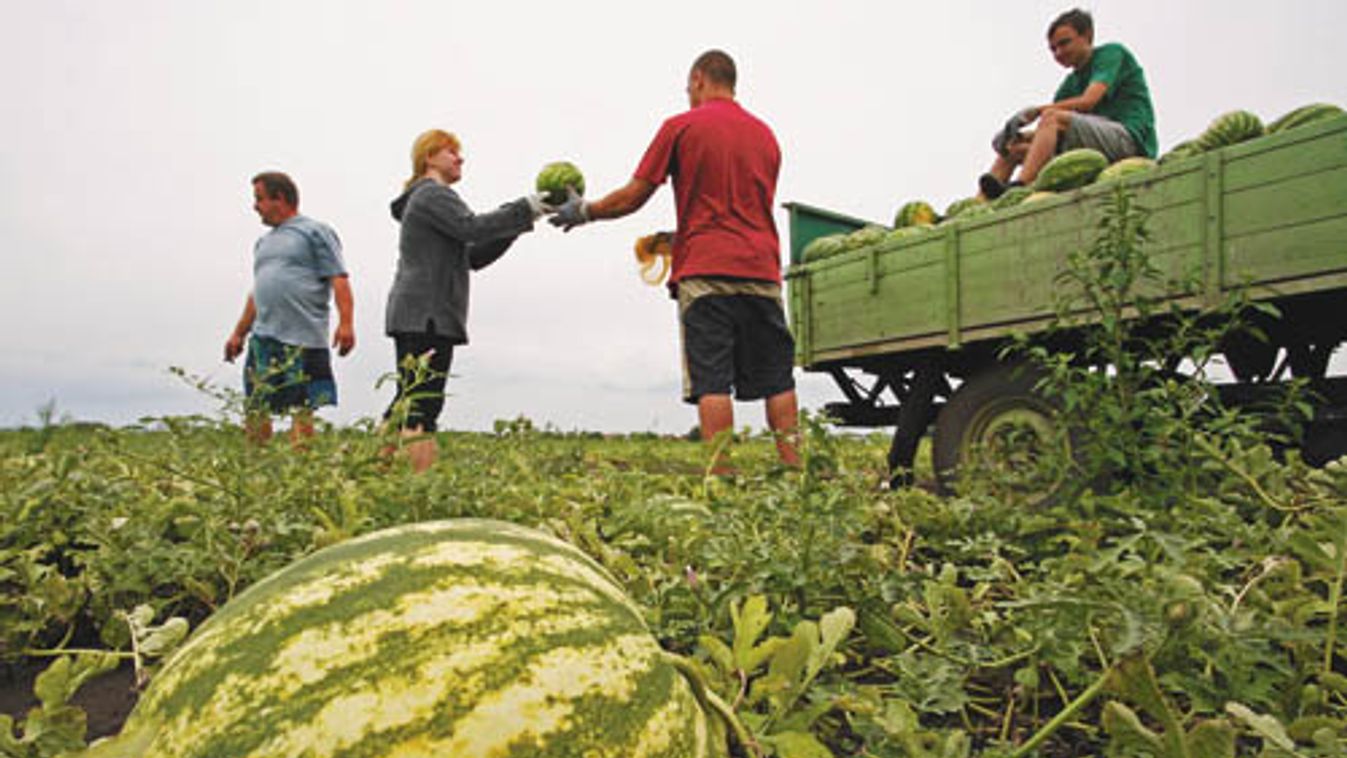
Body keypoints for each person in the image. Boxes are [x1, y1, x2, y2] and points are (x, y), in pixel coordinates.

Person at [551, 50, 800, 469]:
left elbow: (633, 196)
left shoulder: (681, 127)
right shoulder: (766, 135)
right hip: (761, 271)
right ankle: (798, 474)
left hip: (706, 274)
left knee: (713, 381)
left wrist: (584, 211)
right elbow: (741, 205)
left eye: (688, 87)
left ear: (699, 79)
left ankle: (722, 482)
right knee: (778, 379)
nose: (687, 95)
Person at [383, 129, 553, 472]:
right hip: (426, 312)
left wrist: (524, 220)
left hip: (421, 312)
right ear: (429, 158)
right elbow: (472, 228)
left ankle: (375, 472)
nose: (460, 158)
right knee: (422, 404)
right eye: (450, 152)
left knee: (408, 400)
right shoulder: (432, 194)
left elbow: (473, 255)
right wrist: (526, 206)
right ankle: (420, 485)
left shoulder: (429, 200)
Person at [224, 171, 354, 445]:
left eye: (259, 198)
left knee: (302, 408)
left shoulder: (315, 231)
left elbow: (339, 278)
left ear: (279, 198)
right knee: (256, 406)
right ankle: (258, 471)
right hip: (264, 338)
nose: (255, 206)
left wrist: (346, 324)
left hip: (302, 339)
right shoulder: (263, 243)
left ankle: (302, 473)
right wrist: (239, 334)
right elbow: (258, 291)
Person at [978, 8, 1156, 199]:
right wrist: (1013, 136)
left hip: (1128, 142)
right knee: (1013, 148)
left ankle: (1020, 187)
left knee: (1052, 116)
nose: (1059, 53)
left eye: (1064, 43)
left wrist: (1033, 112)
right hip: (1094, 151)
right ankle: (979, 205)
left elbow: (1088, 101)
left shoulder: (1111, 54)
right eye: (1053, 49)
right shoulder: (1069, 84)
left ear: (1087, 35)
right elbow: (1048, 134)